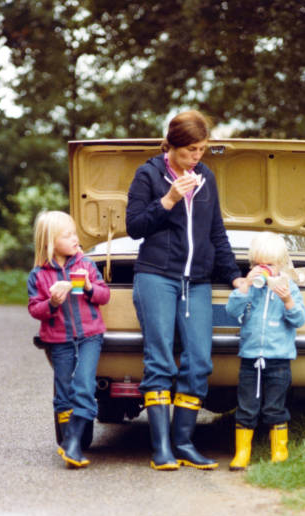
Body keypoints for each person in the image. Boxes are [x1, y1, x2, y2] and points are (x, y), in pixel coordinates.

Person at [126, 110, 243, 470]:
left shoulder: (205, 177)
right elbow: (134, 227)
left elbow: (216, 232)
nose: (197, 157)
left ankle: (184, 443)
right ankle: (161, 449)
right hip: (156, 276)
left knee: (199, 361)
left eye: (202, 150)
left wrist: (235, 276)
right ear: (172, 146)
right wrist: (169, 200)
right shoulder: (148, 175)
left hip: (197, 282)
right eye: (191, 150)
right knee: (159, 361)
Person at [27, 211, 110, 468]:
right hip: (58, 339)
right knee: (63, 390)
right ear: (50, 241)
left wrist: (87, 287)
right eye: (68, 235)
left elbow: (104, 295)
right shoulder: (38, 275)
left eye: (75, 232)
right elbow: (34, 309)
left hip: (89, 337)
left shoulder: (85, 265)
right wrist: (51, 303)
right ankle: (67, 442)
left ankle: (73, 442)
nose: (75, 238)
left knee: (84, 385)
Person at [226, 231, 305, 470]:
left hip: (279, 359)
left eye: (270, 265)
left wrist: (288, 301)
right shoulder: (250, 288)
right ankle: (242, 453)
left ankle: (279, 452)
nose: (265, 269)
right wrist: (246, 285)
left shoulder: (289, 287)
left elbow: (299, 319)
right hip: (250, 358)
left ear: (280, 264)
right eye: (259, 264)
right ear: (252, 265)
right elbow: (232, 310)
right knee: (246, 407)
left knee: (275, 407)